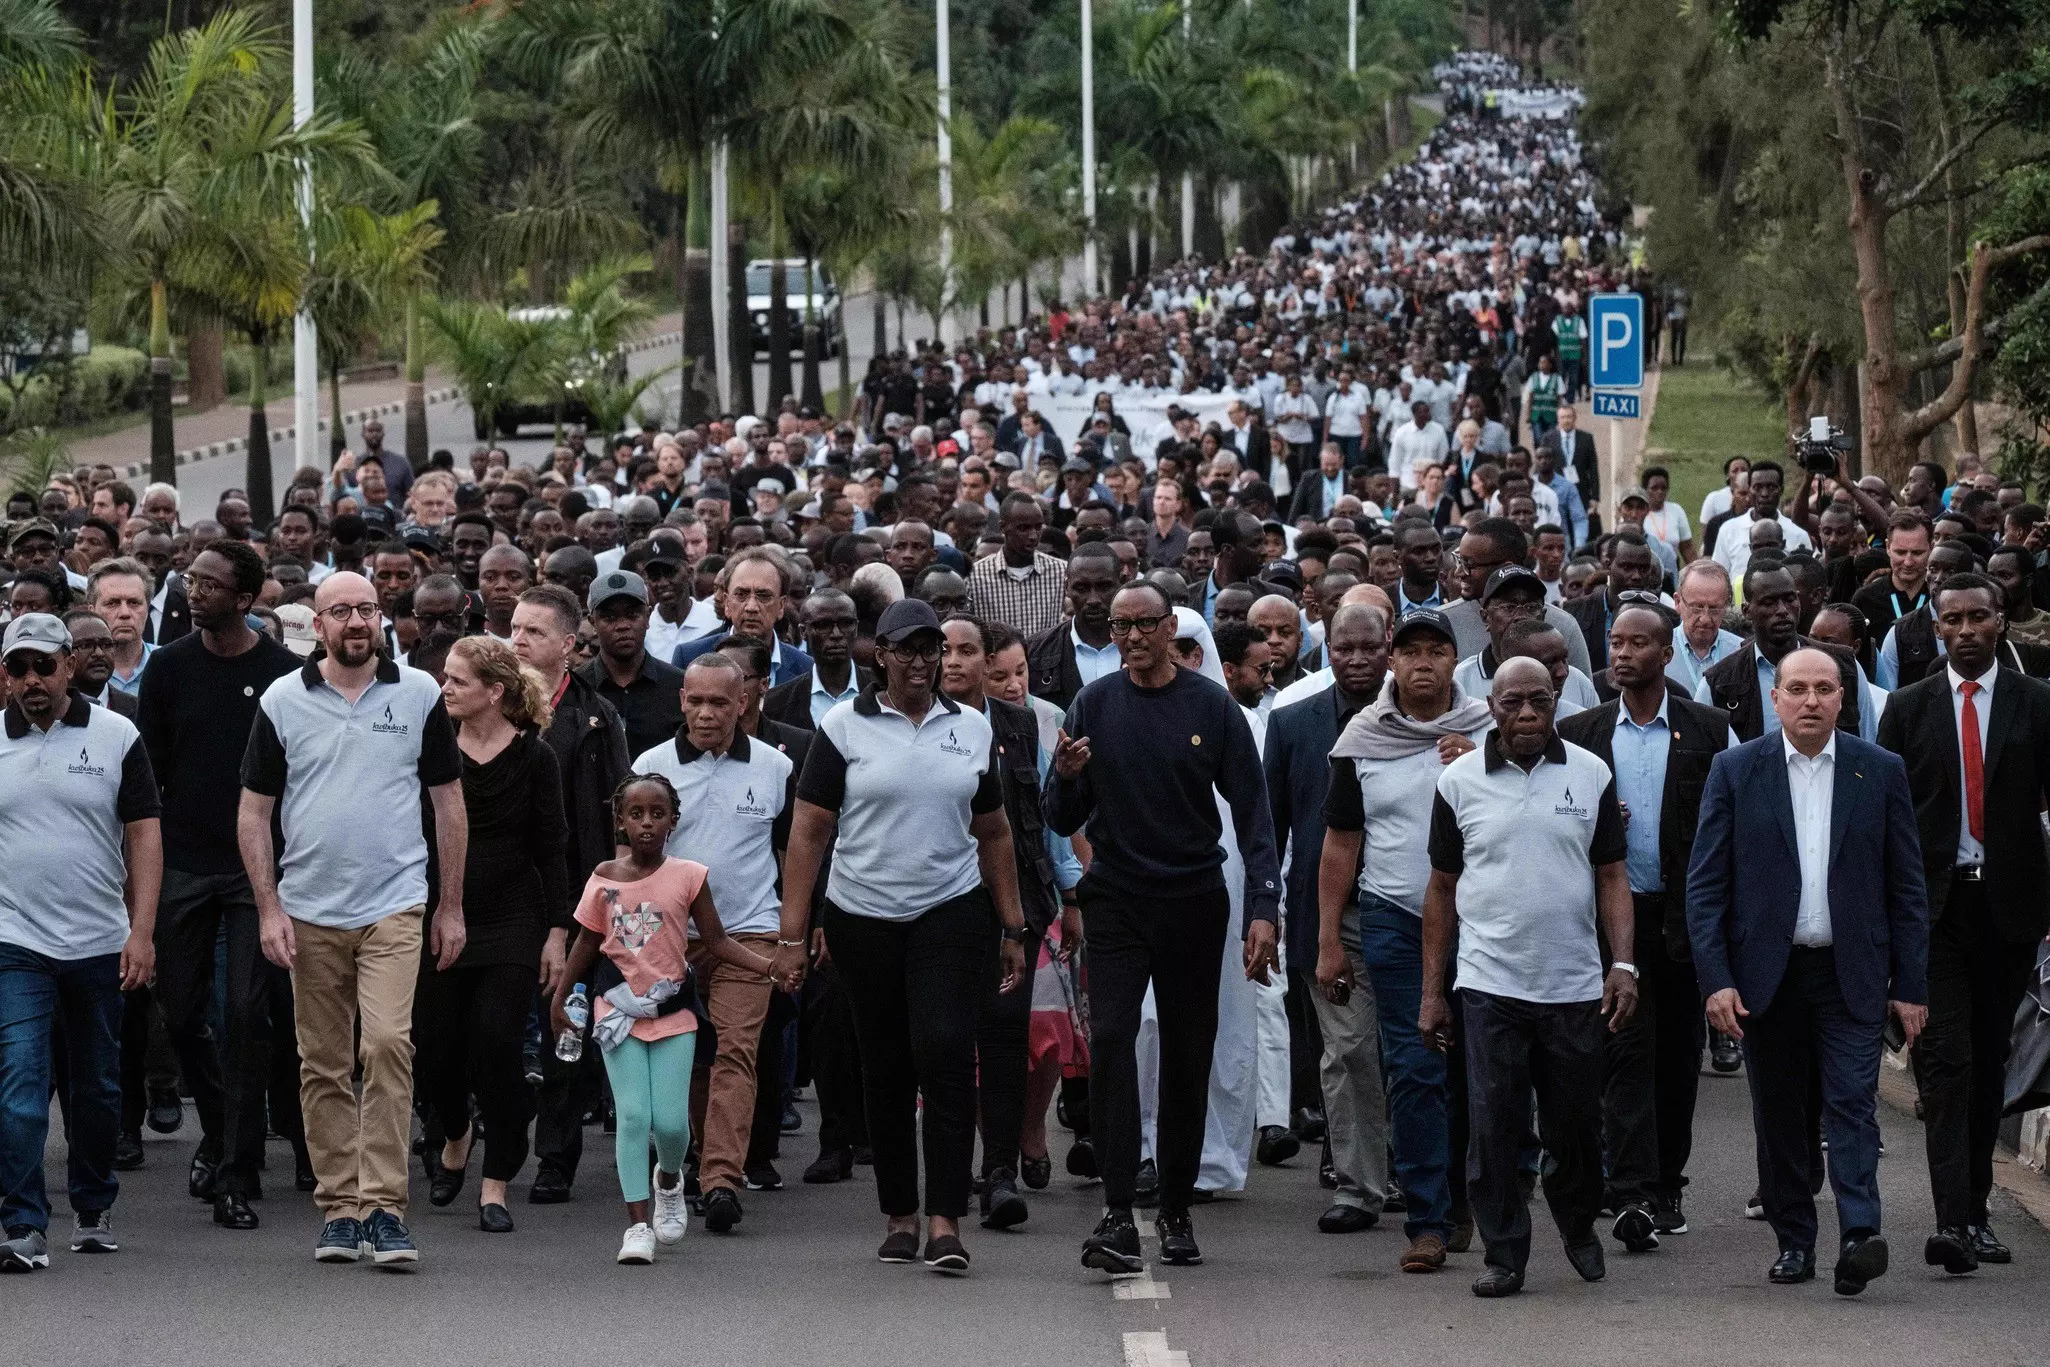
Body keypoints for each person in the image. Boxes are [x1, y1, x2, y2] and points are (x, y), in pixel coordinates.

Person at [779, 598, 1030, 1274]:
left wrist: (1012, 922)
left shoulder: (971, 728)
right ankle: (900, 1214)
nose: (922, 661)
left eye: (932, 649)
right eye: (907, 649)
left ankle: (947, 1220)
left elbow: (994, 830)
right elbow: (808, 832)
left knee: (945, 1047)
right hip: (862, 916)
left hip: (949, 909)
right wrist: (792, 933)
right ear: (881, 655)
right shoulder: (843, 726)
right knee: (885, 1062)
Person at [1047, 580, 1283, 1274]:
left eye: (1142, 624)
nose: (1130, 637)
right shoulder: (1094, 702)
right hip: (1116, 899)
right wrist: (1063, 777)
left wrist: (1263, 909)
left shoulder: (1211, 704)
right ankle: (1119, 1210)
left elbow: (1255, 816)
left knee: (1187, 1053)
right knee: (1115, 1040)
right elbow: (1061, 816)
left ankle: (1176, 1207)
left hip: (1192, 900)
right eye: (1119, 626)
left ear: (1168, 625)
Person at [237, 571, 468, 1267]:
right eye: (342, 611)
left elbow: (449, 804)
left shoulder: (420, 693)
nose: (357, 621)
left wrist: (451, 905)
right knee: (324, 1061)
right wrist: (269, 907)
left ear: (382, 617)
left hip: (395, 902)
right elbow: (254, 812)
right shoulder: (282, 699)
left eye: (367, 608)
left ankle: (385, 1209)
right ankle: (340, 1207)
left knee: (390, 1045)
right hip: (308, 910)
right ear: (320, 624)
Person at [1687, 647, 1928, 1295]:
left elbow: (1907, 885)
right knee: (1782, 1113)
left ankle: (1859, 1234)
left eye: (1825, 688)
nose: (1812, 700)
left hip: (1851, 970)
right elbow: (1706, 885)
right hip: (1768, 975)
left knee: (1852, 1101)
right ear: (1776, 696)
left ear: (1843, 697)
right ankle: (1795, 1239)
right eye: (1798, 688)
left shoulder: (1879, 770)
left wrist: (1910, 985)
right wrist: (1717, 979)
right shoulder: (1736, 770)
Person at [1420, 656, 1637, 1297]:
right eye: (1511, 702)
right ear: (1490, 706)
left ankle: (1576, 1223)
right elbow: (1439, 890)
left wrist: (1622, 965)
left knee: (1574, 1124)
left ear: (1555, 701)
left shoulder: (1592, 772)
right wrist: (1434, 993)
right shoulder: (1459, 782)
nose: (1525, 715)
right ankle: (1504, 1253)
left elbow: (1612, 877)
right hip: (1489, 983)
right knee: (1494, 1125)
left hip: (1572, 983)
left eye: (1537, 702)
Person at [1877, 572, 2050, 1272]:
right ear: (1938, 626)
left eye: (1981, 616)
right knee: (1945, 1063)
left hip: (2007, 910)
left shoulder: (2036, 703)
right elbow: (1885, 820)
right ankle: (1953, 1220)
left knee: (1988, 1062)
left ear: (2001, 621)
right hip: (1932, 912)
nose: (1969, 629)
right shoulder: (1909, 708)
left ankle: (1975, 1206)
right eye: (1955, 619)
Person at [133, 543, 303, 1231]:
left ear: (246, 597)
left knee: (244, 1015)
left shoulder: (284, 674)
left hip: (253, 873)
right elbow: (148, 779)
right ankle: (220, 1131)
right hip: (182, 864)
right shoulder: (169, 666)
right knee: (182, 1014)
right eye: (191, 581)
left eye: (210, 583)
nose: (194, 592)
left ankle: (235, 1168)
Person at [1558, 605, 1731, 1242]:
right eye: (1616, 642)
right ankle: (1628, 1191)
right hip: (1611, 917)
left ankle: (1665, 1186)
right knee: (1623, 1050)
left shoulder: (1710, 730)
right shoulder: (1580, 731)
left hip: (1685, 917)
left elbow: (1730, 820)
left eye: (1639, 643)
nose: (1623, 653)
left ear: (1667, 654)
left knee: (1678, 1058)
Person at [550, 774, 772, 1264]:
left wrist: (769, 966)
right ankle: (636, 1227)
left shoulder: (690, 874)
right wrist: (559, 998)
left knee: (670, 1124)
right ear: (620, 822)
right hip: (617, 1014)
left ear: (674, 820)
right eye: (636, 814)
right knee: (633, 1117)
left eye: (657, 814)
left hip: (673, 1012)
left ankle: (668, 1180)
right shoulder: (603, 878)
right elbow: (586, 943)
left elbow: (715, 940)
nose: (646, 824)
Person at [0, 614, 162, 1272]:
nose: (32, 680)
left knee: (96, 1089)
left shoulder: (118, 733)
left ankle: (93, 1206)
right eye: (19, 668)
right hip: (14, 941)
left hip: (99, 941)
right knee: (18, 1082)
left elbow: (145, 834)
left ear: (70, 665)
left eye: (44, 665)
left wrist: (142, 930)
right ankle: (22, 1223)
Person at [632, 654, 803, 1235]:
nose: (707, 714)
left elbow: (796, 852)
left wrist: (797, 934)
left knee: (735, 1050)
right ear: (681, 700)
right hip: (668, 937)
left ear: (744, 704)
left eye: (720, 702)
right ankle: (697, 1163)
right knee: (687, 1058)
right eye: (696, 701)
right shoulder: (651, 767)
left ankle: (723, 1180)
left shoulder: (776, 768)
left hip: (749, 930)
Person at [414, 637, 567, 1235]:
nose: (444, 688)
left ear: (495, 692)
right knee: (434, 1051)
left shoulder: (536, 758)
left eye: (458, 680)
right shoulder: (432, 747)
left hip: (512, 917)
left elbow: (551, 849)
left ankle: (497, 1178)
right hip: (436, 912)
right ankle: (455, 1131)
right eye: (444, 678)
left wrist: (556, 931)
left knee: (497, 1043)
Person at [936, 613, 1082, 1230]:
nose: (954, 662)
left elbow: (1043, 819)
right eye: (944, 651)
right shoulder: (914, 729)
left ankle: (999, 1172)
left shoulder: (1020, 727)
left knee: (1004, 1039)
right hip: (938, 909)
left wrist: (1071, 897)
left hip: (1014, 911)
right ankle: (950, 1169)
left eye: (967, 651)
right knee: (945, 1044)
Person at [1265, 604, 1393, 1235]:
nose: (1357, 659)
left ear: (1389, 645)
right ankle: (1360, 1186)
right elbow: (1270, 830)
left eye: (1369, 647)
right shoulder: (1292, 724)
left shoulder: (1429, 722)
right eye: (1344, 648)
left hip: (1415, 912)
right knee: (1346, 1052)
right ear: (1326, 649)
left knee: (1411, 1051)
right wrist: (1267, 914)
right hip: (1329, 918)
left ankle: (1417, 1172)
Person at [579, 570, 688, 758]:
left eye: (632, 614)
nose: (622, 625)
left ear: (648, 617)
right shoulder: (575, 688)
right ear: (592, 622)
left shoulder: (679, 686)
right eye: (610, 617)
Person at [969, 494, 1068, 639]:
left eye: (1038, 527)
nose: (1033, 536)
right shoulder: (975, 576)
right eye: (1024, 528)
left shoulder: (1061, 572)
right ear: (1003, 527)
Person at [1666, 560, 1742, 694]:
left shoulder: (1741, 653)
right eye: (1697, 607)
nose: (1705, 619)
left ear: (1726, 606)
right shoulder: (1658, 651)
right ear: (1678, 602)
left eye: (1714, 609)